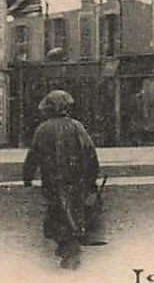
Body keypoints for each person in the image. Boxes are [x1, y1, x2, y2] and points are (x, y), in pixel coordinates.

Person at [23, 89, 101, 270]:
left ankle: (67, 249)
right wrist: (91, 178)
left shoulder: (43, 129)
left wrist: (27, 177)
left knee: (58, 213)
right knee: (75, 211)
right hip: (76, 180)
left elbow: (33, 156)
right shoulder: (77, 127)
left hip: (52, 181)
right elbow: (90, 154)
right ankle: (71, 248)